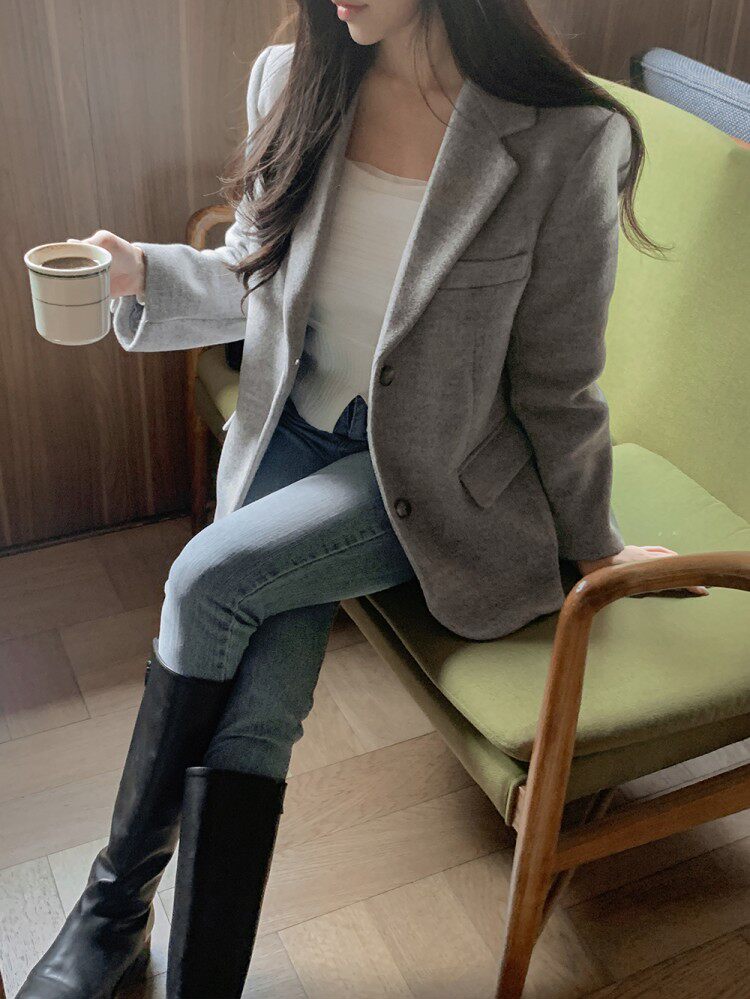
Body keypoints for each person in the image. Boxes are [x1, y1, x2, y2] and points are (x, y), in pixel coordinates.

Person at [18, 1, 710, 997]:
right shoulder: (296, 79)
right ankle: (171, 963)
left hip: (427, 475)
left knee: (208, 578)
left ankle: (108, 913)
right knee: (257, 711)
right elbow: (256, 279)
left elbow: (557, 383)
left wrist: (596, 545)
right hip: (290, 434)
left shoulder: (567, 137)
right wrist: (139, 272)